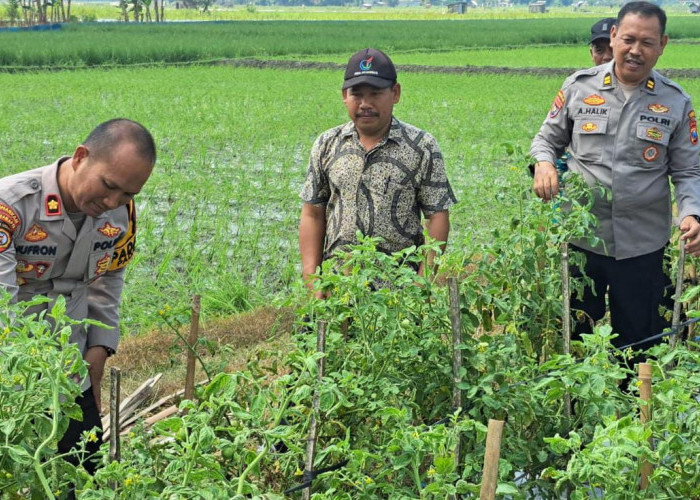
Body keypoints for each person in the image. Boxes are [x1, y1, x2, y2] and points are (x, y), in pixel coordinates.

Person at [530, 1, 700, 350]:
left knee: (640, 342)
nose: (636, 50)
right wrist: (545, 164)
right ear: (614, 36)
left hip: (643, 246)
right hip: (582, 241)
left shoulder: (676, 102)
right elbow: (546, 140)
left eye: (647, 42)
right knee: (576, 338)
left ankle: (637, 403)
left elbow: (688, 170)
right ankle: (574, 405)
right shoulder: (579, 87)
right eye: (628, 39)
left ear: (662, 45)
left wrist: (691, 213)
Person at [0, 118, 156, 472]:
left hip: (72, 365)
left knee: (85, 470)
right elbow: (1, 305)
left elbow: (110, 277)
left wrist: (99, 348)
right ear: (81, 156)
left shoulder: (121, 214)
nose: (113, 201)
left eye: (128, 194)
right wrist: (20, 376)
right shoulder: (10, 207)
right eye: (108, 185)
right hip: (13, 365)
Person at [298, 48, 457, 296]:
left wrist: (421, 284)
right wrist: (314, 281)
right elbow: (312, 213)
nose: (365, 104)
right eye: (357, 95)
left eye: (375, 94)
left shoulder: (421, 146)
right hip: (337, 289)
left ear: (395, 93)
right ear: (344, 96)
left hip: (398, 293)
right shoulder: (328, 143)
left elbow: (437, 216)